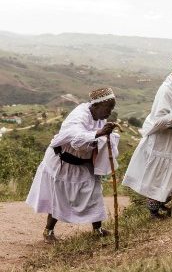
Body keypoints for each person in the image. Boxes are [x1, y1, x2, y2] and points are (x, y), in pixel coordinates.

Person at [26, 88, 120, 243]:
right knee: (60, 196)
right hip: (63, 162)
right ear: (96, 105)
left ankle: (97, 229)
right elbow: (76, 140)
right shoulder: (78, 115)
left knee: (94, 193)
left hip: (83, 163)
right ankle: (48, 232)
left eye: (112, 108)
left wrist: (106, 136)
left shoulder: (99, 117)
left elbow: (96, 138)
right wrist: (99, 134)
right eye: (108, 107)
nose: (110, 112)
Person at [122, 52, 172, 219]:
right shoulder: (166, 90)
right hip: (163, 142)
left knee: (171, 174)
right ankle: (153, 211)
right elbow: (159, 122)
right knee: (159, 176)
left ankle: (163, 204)